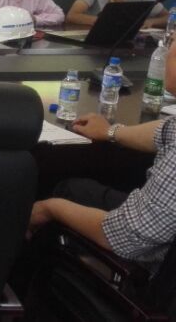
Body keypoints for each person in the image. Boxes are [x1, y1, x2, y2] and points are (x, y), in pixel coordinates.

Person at [29, 38, 176, 274]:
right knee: (76, 189)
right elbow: (166, 130)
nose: (167, 52)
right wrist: (110, 131)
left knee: (60, 195)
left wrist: (49, 209)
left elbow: (125, 236)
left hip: (154, 279)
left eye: (173, 42)